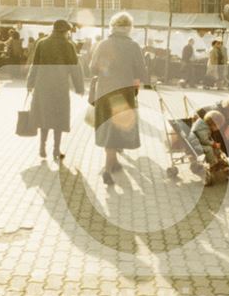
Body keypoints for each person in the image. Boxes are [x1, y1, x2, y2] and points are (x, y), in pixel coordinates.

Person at [91, 12, 147, 185]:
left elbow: (93, 68)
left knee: (108, 128)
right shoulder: (134, 46)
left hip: (104, 92)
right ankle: (109, 168)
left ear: (112, 26)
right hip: (124, 92)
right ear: (129, 28)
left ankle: (112, 164)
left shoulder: (103, 44)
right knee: (118, 128)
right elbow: (142, 72)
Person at [27, 20, 84, 161]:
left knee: (44, 116)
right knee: (59, 117)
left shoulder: (42, 43)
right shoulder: (68, 45)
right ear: (65, 31)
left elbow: (35, 65)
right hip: (60, 86)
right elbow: (74, 68)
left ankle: (42, 147)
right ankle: (56, 150)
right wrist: (79, 87)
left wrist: (30, 83)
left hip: (43, 86)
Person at [186, 110, 229, 186]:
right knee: (210, 149)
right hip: (195, 143)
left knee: (217, 148)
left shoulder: (206, 126)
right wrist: (213, 144)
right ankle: (212, 164)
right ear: (213, 124)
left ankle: (221, 163)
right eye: (218, 126)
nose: (218, 129)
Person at [196, 95, 229, 165]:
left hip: (207, 131)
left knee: (227, 130)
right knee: (219, 139)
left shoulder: (226, 111)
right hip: (196, 131)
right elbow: (219, 136)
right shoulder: (218, 113)